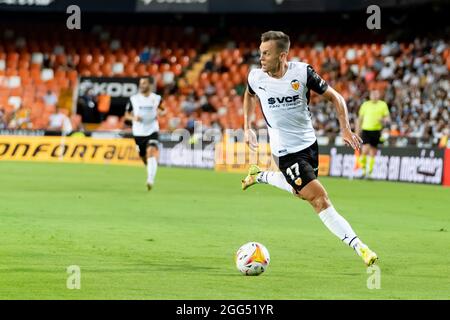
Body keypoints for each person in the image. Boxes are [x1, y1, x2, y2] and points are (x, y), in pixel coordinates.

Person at [241, 31, 378, 267]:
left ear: (282, 55)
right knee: (319, 199)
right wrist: (247, 125)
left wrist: (345, 129)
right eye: (260, 52)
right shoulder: (256, 77)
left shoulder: (302, 73)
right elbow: (249, 95)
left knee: (299, 192)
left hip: (309, 145)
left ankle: (260, 175)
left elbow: (336, 97)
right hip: (284, 151)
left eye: (266, 53)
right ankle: (361, 247)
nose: (261, 58)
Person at [124, 77, 165, 191]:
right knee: (143, 156)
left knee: (151, 151)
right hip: (138, 132)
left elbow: (163, 109)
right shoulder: (134, 99)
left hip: (152, 130)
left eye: (144, 83)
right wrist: (133, 117)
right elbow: (126, 115)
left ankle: (150, 179)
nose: (142, 85)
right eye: (141, 83)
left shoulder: (156, 98)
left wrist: (161, 112)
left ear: (150, 85)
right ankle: (150, 168)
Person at [356, 89, 390, 178]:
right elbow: (360, 119)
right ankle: (363, 170)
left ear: (379, 95)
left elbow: (387, 119)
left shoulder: (383, 105)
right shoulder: (365, 105)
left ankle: (370, 173)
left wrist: (383, 120)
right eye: (373, 94)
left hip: (376, 131)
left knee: (373, 152)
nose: (374, 96)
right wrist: (357, 131)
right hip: (366, 130)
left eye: (376, 94)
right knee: (365, 150)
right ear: (370, 95)